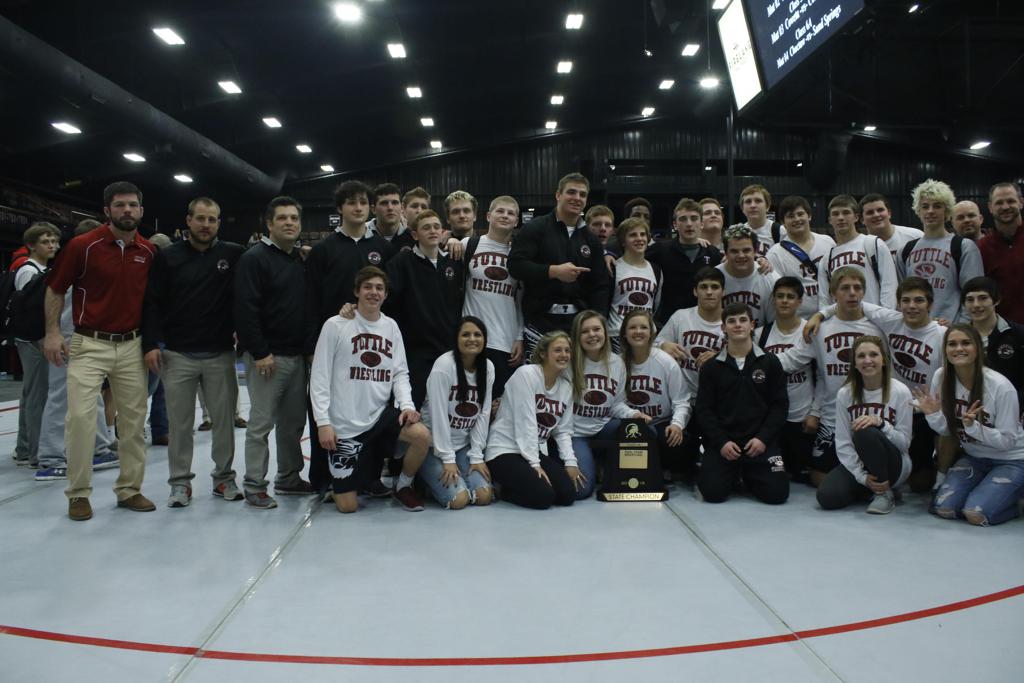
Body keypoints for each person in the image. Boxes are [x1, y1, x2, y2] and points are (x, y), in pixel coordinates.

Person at [43, 181, 156, 521]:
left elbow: (155, 303)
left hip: (132, 345)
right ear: (107, 210)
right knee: (80, 418)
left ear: (141, 211)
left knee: (134, 423)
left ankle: (129, 489)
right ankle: (78, 493)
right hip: (89, 343)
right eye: (120, 205)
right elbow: (55, 289)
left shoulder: (148, 252)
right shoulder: (83, 246)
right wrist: (51, 333)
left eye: (133, 205)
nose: (127, 211)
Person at [142, 197, 245, 507]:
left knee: (224, 423)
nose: (205, 225)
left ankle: (224, 479)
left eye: (212, 219)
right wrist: (150, 344)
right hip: (178, 354)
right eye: (200, 218)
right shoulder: (168, 257)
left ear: (218, 223)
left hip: (219, 353)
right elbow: (152, 303)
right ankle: (179, 484)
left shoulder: (233, 254)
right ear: (188, 221)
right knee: (180, 424)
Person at [310, 266, 432, 513]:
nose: (373, 292)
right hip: (344, 423)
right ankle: (349, 481)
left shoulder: (391, 327)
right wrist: (323, 422)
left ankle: (402, 486)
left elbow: (400, 373)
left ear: (386, 295)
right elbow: (319, 376)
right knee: (347, 507)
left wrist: (407, 406)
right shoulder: (335, 325)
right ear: (356, 292)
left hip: (378, 417)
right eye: (367, 287)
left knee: (421, 436)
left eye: (379, 288)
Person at [304, 180, 394, 494]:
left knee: (370, 412)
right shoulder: (323, 250)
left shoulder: (382, 249)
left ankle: (370, 477)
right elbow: (311, 300)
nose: (358, 208)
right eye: (351, 202)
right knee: (328, 410)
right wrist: (313, 346)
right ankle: (323, 477)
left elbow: (387, 298)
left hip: (370, 348)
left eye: (363, 202)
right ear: (340, 208)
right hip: (334, 345)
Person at [234, 196, 313, 509]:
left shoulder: (299, 261)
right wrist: (260, 351)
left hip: (296, 356)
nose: (289, 223)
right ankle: (254, 484)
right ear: (269, 223)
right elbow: (245, 309)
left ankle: (289, 477)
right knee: (261, 423)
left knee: (293, 424)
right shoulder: (254, 259)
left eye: (294, 218)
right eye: (282, 218)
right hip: (267, 358)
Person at [780, 267, 883, 486]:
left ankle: (860, 480)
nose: (852, 293)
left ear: (864, 292)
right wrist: (749, 360)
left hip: (870, 414)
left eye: (857, 288)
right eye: (845, 288)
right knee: (819, 479)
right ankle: (856, 481)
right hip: (831, 416)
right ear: (833, 292)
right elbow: (791, 360)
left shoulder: (878, 328)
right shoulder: (820, 329)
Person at [33, 219, 119, 482]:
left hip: (84, 339)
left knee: (89, 394)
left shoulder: (87, 264)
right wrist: (54, 336)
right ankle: (50, 458)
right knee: (61, 396)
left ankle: (98, 448)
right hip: (66, 338)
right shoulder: (70, 264)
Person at [915, 324, 1024, 526]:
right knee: (945, 508)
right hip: (975, 458)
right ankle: (988, 491)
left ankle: (1013, 502)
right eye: (952, 344)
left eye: (966, 343)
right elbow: (947, 430)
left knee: (975, 514)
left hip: (1012, 459)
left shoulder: (1000, 387)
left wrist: (974, 428)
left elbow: (1008, 441)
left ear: (978, 349)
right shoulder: (942, 376)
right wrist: (932, 414)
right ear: (945, 350)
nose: (959, 349)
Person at [696, 303, 789, 504]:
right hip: (725, 445)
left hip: (759, 444)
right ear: (723, 328)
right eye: (731, 321)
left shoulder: (770, 362)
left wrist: (763, 439)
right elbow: (704, 410)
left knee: (777, 495)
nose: (737, 325)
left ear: (752, 325)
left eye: (743, 320)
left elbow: (779, 406)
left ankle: (746, 473)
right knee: (712, 494)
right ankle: (733, 472)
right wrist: (721, 442)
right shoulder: (711, 367)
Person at [508, 173, 609, 357]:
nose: (577, 198)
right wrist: (553, 271)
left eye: (582, 194)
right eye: (571, 192)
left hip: (578, 324)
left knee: (575, 382)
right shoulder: (536, 228)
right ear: (558, 195)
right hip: (539, 322)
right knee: (539, 380)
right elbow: (515, 265)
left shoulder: (591, 239)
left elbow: (600, 285)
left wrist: (596, 322)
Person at [818, 336, 913, 514]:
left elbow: (904, 444)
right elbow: (843, 442)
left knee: (865, 432)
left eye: (874, 355)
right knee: (827, 497)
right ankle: (870, 487)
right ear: (854, 363)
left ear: (884, 360)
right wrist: (861, 477)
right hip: (861, 463)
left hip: (894, 463)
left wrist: (882, 424)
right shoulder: (845, 394)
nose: (867, 360)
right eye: (861, 356)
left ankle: (884, 493)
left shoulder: (900, 391)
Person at [485, 331, 580, 509]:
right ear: (543, 353)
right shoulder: (526, 374)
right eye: (558, 350)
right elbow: (525, 423)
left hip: (530, 451)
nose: (564, 355)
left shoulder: (566, 387)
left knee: (567, 495)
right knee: (543, 497)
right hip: (504, 450)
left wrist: (570, 462)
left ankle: (519, 482)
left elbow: (563, 431)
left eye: (567, 351)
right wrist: (535, 464)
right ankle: (503, 489)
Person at [385, 209, 464, 407]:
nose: (432, 231)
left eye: (436, 227)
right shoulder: (401, 263)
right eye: (426, 227)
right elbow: (388, 301)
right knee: (413, 408)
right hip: (415, 352)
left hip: (448, 350)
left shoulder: (454, 263)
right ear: (414, 234)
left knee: (447, 407)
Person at [656, 266, 728, 470]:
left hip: (717, 402)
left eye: (715, 287)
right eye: (703, 287)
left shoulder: (731, 321)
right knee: (677, 457)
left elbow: (746, 358)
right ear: (695, 291)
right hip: (683, 399)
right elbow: (652, 344)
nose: (709, 292)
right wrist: (664, 344)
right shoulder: (681, 317)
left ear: (723, 291)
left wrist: (721, 357)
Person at [418, 316, 495, 509]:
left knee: (484, 496)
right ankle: (423, 478)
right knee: (458, 500)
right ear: (456, 338)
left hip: (462, 445)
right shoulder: (444, 366)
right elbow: (438, 416)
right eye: (465, 334)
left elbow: (483, 414)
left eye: (477, 335)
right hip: (434, 447)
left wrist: (477, 456)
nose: (472, 339)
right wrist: (448, 459)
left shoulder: (488, 368)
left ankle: (442, 480)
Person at [568, 311, 644, 499]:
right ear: (577, 336)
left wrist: (634, 414)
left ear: (605, 332)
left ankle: (607, 464)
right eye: (585, 331)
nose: (592, 335)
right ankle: (590, 460)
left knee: (642, 429)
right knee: (581, 490)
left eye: (596, 329)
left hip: (604, 426)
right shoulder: (568, 363)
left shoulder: (616, 362)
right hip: (575, 433)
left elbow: (617, 405)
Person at [458, 195, 524, 399]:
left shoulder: (519, 254)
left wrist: (519, 336)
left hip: (505, 341)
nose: (505, 216)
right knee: (467, 401)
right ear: (488, 216)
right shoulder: (468, 244)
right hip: (471, 338)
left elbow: (521, 300)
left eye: (511, 213)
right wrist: (449, 239)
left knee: (497, 405)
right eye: (500, 211)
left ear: (516, 221)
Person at [897, 179, 983, 322]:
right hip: (916, 332)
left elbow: (973, 295)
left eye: (937, 206)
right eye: (925, 206)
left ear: (947, 211)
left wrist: (959, 330)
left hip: (951, 334)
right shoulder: (905, 250)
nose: (930, 211)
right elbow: (901, 298)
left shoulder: (963, 247)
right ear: (918, 210)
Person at [621, 309, 691, 482]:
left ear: (652, 333)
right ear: (624, 333)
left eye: (643, 327)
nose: (638, 331)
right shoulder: (618, 363)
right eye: (633, 328)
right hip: (630, 423)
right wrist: (632, 414)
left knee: (674, 440)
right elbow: (614, 404)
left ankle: (666, 467)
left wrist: (677, 425)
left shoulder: (666, 362)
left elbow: (682, 401)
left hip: (661, 422)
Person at [11, 222, 59, 469]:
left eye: (53, 241)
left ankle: (24, 447)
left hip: (31, 338)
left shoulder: (40, 269)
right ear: (31, 245)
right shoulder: (28, 271)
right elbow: (30, 311)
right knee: (37, 395)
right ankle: (36, 452)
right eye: (45, 241)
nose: (51, 246)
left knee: (31, 394)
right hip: (32, 339)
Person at [759, 278, 816, 483]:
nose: (785, 301)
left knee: (802, 475)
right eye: (780, 296)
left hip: (801, 418)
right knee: (775, 473)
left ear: (800, 301)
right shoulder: (761, 334)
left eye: (790, 297)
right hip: (769, 419)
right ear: (773, 300)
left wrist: (815, 412)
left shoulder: (810, 332)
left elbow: (822, 377)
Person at [646, 198, 722, 328]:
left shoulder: (713, 253)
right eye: (683, 219)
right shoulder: (660, 250)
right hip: (667, 323)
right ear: (675, 225)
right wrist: (609, 255)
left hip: (702, 324)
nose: (689, 224)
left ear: (702, 223)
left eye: (694, 218)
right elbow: (631, 258)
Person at [818, 194, 897, 309]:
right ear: (830, 220)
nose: (840, 217)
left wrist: (884, 319)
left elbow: (889, 285)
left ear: (856, 217)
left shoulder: (873, 243)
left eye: (846, 213)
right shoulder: (826, 259)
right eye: (835, 214)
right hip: (842, 324)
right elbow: (824, 300)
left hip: (874, 322)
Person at [961, 277, 1024, 414]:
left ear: (996, 300)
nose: (976, 305)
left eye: (983, 298)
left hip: (1012, 413)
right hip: (969, 412)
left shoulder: (1017, 334)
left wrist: (1015, 406)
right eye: (970, 300)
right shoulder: (958, 337)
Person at [765, 195, 835, 319]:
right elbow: (778, 293)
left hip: (830, 315)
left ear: (809, 216)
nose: (797, 219)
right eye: (790, 216)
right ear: (783, 222)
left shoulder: (827, 242)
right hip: (798, 321)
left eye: (800, 214)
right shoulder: (775, 253)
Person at [608, 217, 661, 352]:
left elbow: (656, 304)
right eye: (632, 235)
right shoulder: (614, 267)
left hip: (647, 335)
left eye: (642, 234)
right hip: (618, 334)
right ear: (623, 241)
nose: (639, 238)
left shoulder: (656, 270)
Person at [976, 182, 1024, 324]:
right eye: (999, 203)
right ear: (991, 207)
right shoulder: (982, 248)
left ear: (1021, 202)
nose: (1005, 207)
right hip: (1003, 333)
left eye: (1010, 201)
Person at [717, 225, 779, 327]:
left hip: (760, 339)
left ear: (755, 251)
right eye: (734, 251)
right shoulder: (715, 278)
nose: (741, 255)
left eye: (746, 250)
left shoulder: (769, 277)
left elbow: (774, 324)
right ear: (726, 253)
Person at [859, 193, 922, 265]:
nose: (876, 215)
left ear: (889, 213)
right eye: (870, 212)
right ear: (862, 220)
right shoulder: (859, 248)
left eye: (880, 210)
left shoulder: (915, 236)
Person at [730, 184, 786, 257]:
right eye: (748, 201)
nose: (753, 205)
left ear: (767, 206)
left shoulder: (780, 231)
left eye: (758, 201)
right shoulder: (736, 233)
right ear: (742, 208)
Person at [367, 182, 414, 249]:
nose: (390, 208)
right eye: (384, 203)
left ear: (402, 208)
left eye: (395, 203)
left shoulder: (412, 237)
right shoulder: (361, 235)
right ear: (373, 209)